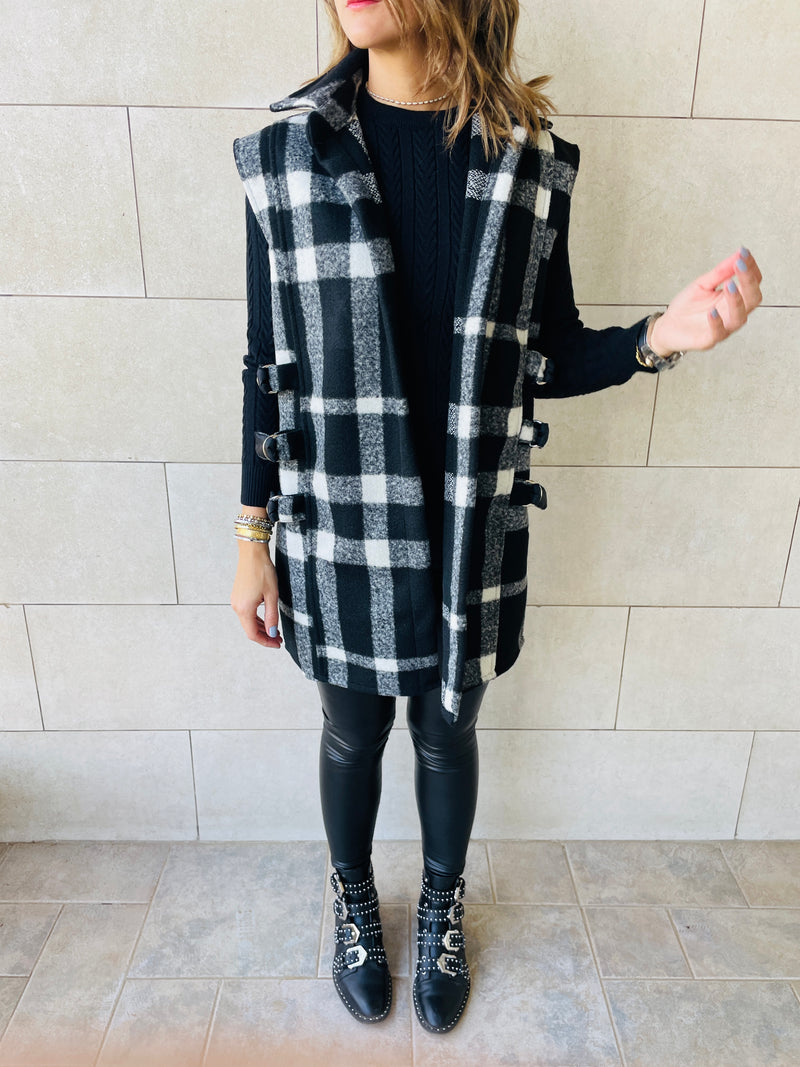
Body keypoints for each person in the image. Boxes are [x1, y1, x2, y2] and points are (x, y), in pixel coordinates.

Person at [230, 0, 762, 1034]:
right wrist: (252, 535)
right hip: (340, 518)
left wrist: (655, 338)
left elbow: (545, 353)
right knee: (352, 727)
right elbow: (267, 364)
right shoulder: (288, 158)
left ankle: (440, 905)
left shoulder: (527, 165)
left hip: (473, 522)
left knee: (445, 727)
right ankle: (353, 901)